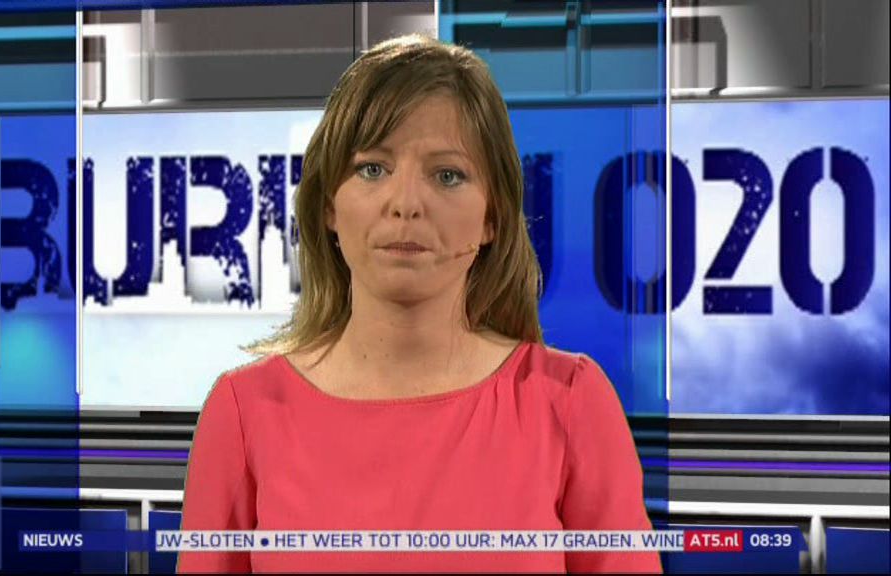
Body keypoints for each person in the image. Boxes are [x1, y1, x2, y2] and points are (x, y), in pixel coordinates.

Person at [177, 33, 661, 574]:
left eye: (447, 175)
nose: (406, 204)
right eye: (372, 168)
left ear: (492, 217)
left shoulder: (570, 404)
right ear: (329, 206)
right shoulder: (243, 414)